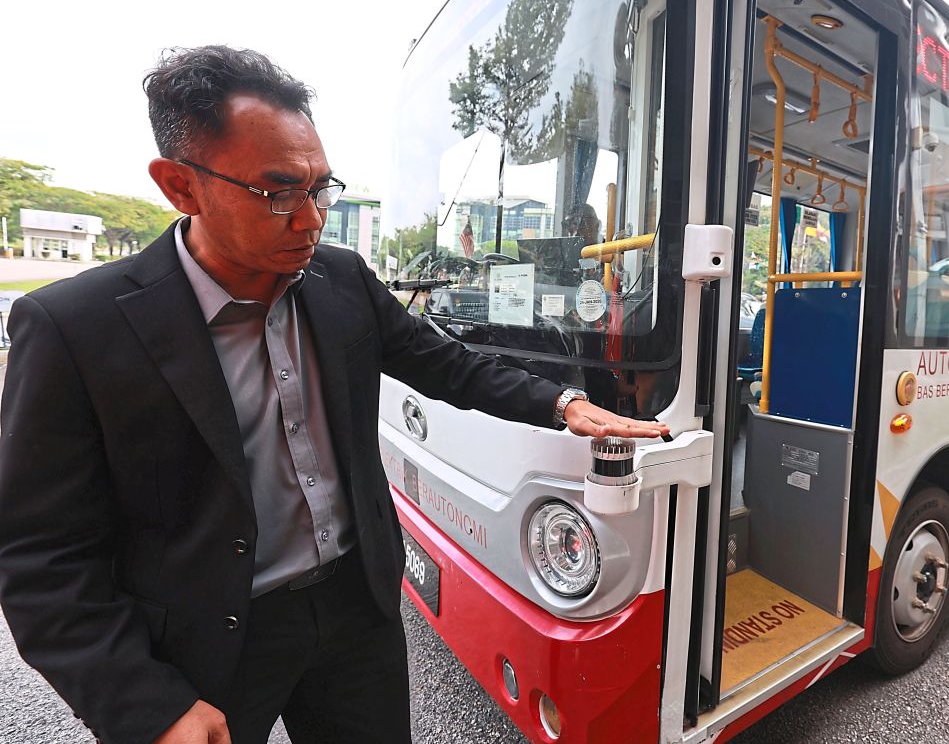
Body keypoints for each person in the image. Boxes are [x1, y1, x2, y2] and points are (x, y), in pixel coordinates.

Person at [0, 45, 668, 744]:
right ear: (180, 186)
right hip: (204, 646)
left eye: (321, 188)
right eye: (279, 193)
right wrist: (146, 706)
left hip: (356, 613)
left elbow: (445, 364)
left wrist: (563, 406)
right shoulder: (76, 328)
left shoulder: (341, 281)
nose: (312, 219)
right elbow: (43, 558)